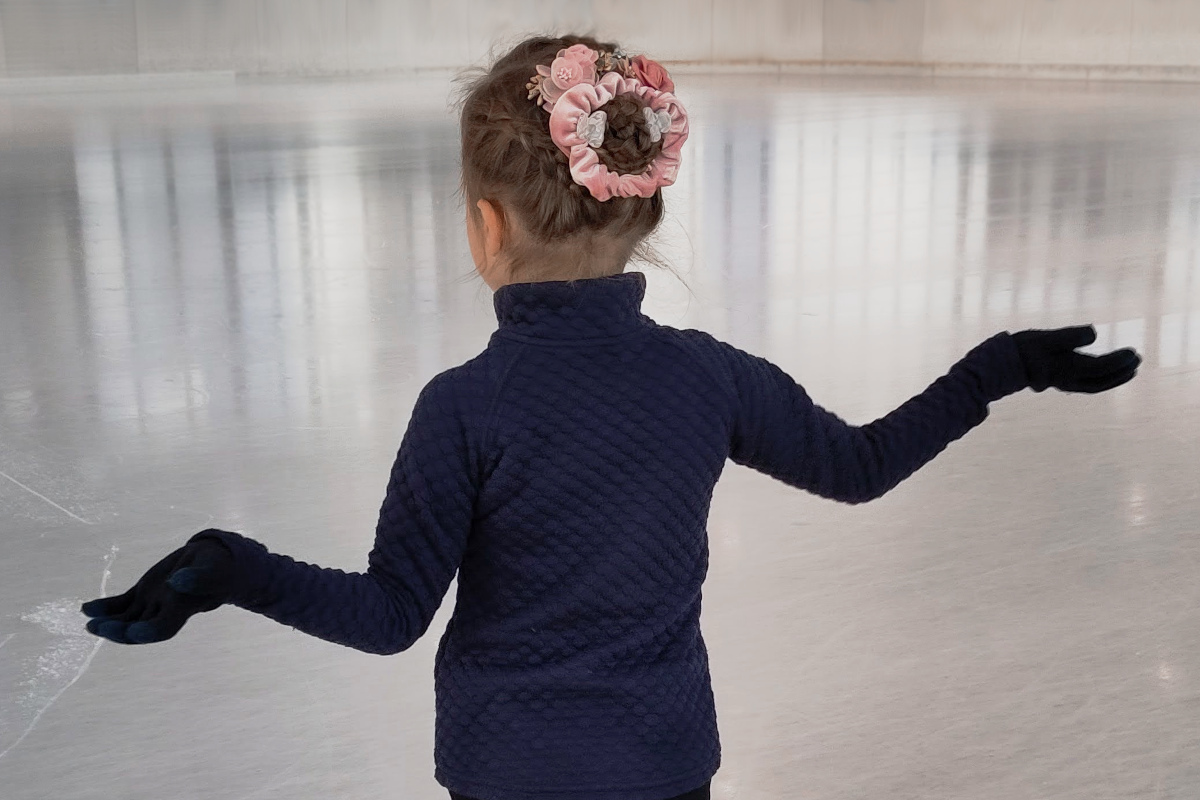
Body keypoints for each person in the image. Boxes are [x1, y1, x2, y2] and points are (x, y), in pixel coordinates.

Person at [81, 35, 1141, 800]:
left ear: (485, 225)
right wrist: (1000, 368)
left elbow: (390, 613)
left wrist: (231, 566)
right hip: (663, 761)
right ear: (643, 204)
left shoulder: (465, 407)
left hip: (505, 770)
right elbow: (860, 465)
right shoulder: (706, 378)